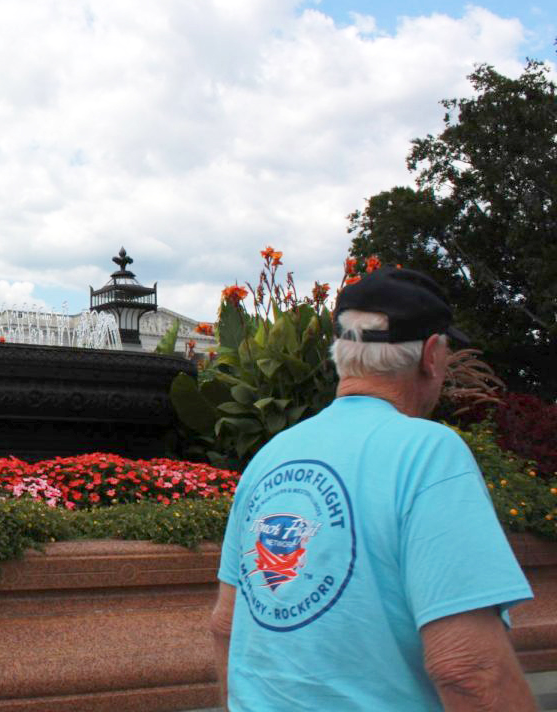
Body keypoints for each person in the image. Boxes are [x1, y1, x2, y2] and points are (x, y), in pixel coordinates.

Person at [210, 267, 536, 711]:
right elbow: (469, 670)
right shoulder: (428, 453)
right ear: (433, 355)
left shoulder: (271, 456)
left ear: (339, 352)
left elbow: (227, 627)